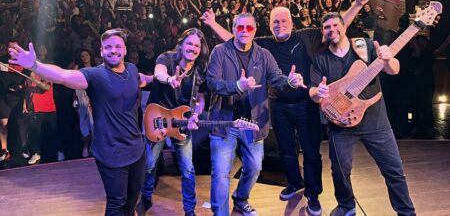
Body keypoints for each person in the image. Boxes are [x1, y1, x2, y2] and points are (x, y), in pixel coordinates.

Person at [201, 0, 370, 215]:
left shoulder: (306, 36)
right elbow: (236, 38)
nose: (279, 24)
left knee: (310, 153)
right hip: (277, 106)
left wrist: (357, 5)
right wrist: (212, 24)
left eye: (283, 20)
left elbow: (336, 28)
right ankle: (294, 183)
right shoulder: (263, 45)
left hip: (306, 103)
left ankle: (312, 194)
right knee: (286, 151)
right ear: (269, 25)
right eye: (275, 21)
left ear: (291, 22)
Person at [8, 28, 153, 216]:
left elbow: (145, 79)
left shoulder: (132, 70)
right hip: (111, 151)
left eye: (118, 46)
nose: (113, 50)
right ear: (101, 52)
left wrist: (165, 78)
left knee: (133, 198)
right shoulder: (95, 75)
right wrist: (35, 65)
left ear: (125, 50)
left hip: (136, 149)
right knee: (117, 203)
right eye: (108, 47)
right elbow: (62, 76)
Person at [309, 13, 416, 216]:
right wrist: (318, 94)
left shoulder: (364, 46)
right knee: (340, 172)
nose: (332, 30)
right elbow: (313, 92)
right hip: (340, 124)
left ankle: (406, 212)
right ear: (323, 32)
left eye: (335, 25)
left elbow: (394, 70)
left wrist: (387, 60)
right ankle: (346, 205)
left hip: (376, 122)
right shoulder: (320, 59)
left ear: (344, 26)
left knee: (394, 171)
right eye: (327, 28)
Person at [206, 12, 307, 216]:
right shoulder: (219, 51)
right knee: (221, 174)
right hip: (225, 123)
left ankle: (241, 199)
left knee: (254, 168)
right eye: (240, 28)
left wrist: (290, 81)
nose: (244, 32)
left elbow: (277, 78)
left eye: (249, 28)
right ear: (233, 29)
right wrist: (237, 85)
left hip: (253, 124)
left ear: (255, 31)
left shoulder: (263, 55)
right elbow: (211, 83)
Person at [138, 28, 209, 216]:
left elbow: (200, 98)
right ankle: (145, 199)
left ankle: (189, 210)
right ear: (181, 44)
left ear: (200, 49)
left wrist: (197, 113)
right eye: (189, 43)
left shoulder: (200, 69)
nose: (192, 48)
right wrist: (170, 79)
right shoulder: (167, 58)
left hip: (181, 123)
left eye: (196, 45)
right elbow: (158, 72)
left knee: (187, 168)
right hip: (158, 120)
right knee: (150, 165)